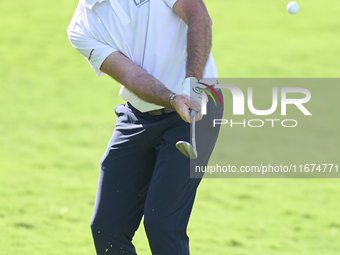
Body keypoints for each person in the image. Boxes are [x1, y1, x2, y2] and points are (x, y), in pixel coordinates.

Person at [67, 0, 223, 254]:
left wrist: (190, 84)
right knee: (107, 229)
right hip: (137, 116)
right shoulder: (81, 27)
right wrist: (172, 98)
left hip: (197, 109)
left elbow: (199, 16)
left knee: (163, 225)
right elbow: (131, 75)